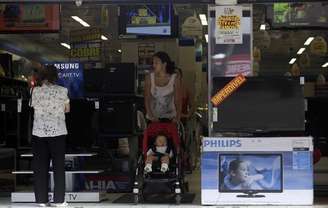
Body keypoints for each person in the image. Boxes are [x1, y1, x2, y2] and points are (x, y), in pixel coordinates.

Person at [30, 65, 70, 207]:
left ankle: (41, 200)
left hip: (39, 132)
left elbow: (33, 106)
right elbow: (67, 109)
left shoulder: (35, 91)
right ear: (55, 76)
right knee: (58, 167)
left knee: (40, 167)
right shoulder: (63, 91)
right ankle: (59, 200)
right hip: (57, 132)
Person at [144, 51, 182, 123]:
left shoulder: (174, 78)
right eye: (153, 63)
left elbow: (178, 100)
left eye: (156, 63)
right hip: (152, 118)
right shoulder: (149, 77)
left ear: (164, 64)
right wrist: (150, 115)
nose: (154, 65)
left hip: (170, 118)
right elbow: (147, 98)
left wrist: (178, 117)